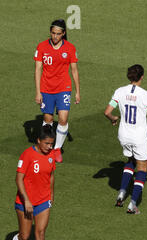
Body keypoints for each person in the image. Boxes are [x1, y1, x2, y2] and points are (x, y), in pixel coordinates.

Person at [104, 64, 147, 214]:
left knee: (130, 161)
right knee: (142, 167)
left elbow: (107, 112)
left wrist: (113, 118)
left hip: (124, 134)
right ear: (142, 77)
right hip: (139, 136)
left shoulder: (119, 91)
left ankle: (122, 192)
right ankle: (133, 203)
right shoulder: (144, 95)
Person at [4, 125, 56, 240]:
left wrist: (51, 194)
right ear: (38, 140)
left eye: (51, 143)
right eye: (47, 143)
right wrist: (26, 200)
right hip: (24, 202)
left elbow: (51, 175)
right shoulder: (27, 155)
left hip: (43, 201)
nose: (50, 147)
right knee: (24, 236)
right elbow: (18, 179)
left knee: (40, 233)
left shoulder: (51, 154)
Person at [34, 19, 80, 163]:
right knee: (48, 121)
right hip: (46, 89)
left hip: (63, 88)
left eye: (58, 34)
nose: (55, 36)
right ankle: (45, 146)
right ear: (50, 32)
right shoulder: (41, 47)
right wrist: (38, 91)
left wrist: (77, 91)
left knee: (63, 119)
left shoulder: (70, 48)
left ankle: (57, 149)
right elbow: (37, 69)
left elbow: (74, 70)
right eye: (53, 33)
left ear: (63, 33)